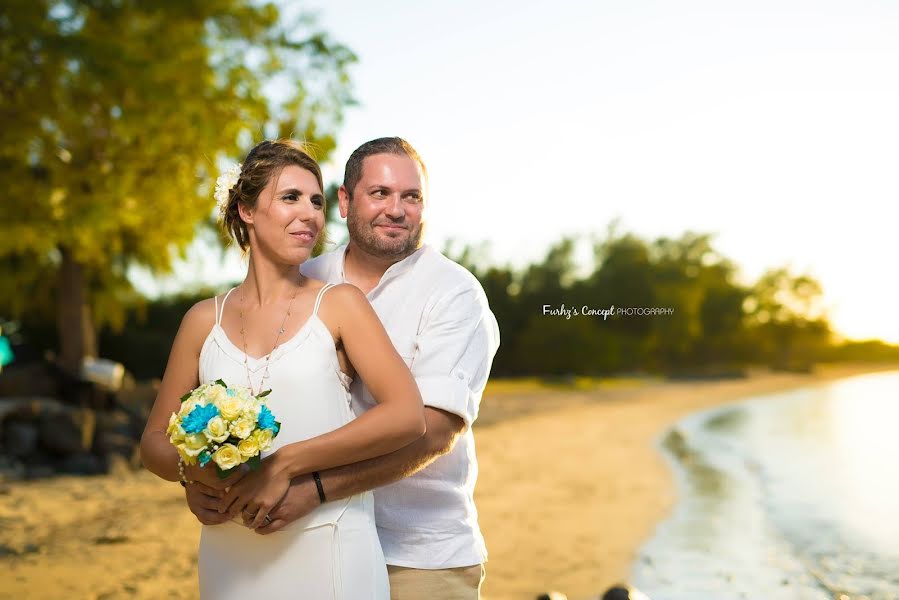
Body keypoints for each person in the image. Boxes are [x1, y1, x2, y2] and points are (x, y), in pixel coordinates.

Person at [185, 137, 500, 599]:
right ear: (346, 201)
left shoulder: (454, 293)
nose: (397, 209)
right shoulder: (305, 275)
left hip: (417, 552)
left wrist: (312, 489)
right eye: (380, 194)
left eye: (412, 197)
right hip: (297, 536)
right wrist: (202, 480)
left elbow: (434, 431)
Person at [140, 139, 426, 599]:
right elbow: (153, 442)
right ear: (247, 210)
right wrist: (192, 475)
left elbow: (407, 415)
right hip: (229, 551)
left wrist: (286, 464)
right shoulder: (201, 321)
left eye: (316, 201)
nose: (310, 214)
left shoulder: (339, 304)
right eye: (290, 197)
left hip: (329, 544)